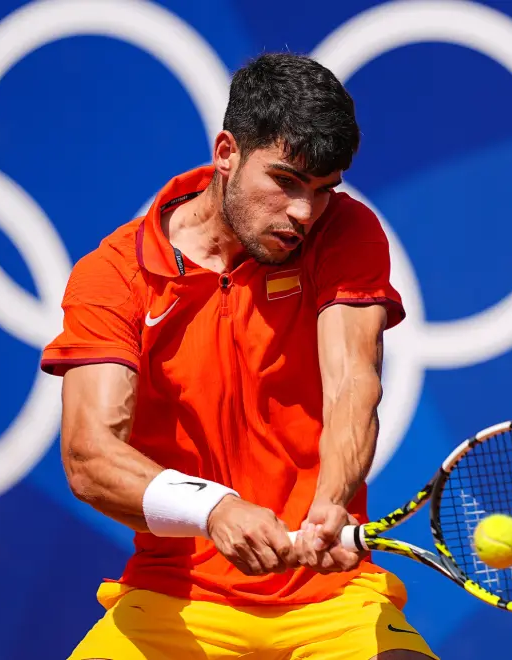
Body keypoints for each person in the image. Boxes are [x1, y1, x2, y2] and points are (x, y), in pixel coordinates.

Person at [39, 52, 437, 660]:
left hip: (333, 601)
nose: (305, 213)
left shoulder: (346, 232)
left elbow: (353, 386)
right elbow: (89, 456)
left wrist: (330, 504)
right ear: (226, 151)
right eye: (286, 181)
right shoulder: (114, 275)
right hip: (174, 600)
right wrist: (213, 508)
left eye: (324, 190)